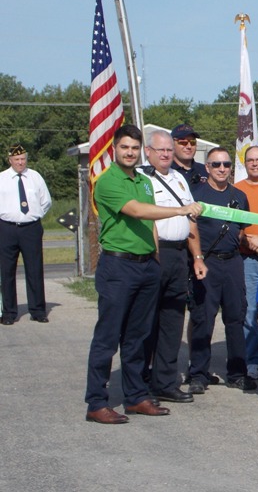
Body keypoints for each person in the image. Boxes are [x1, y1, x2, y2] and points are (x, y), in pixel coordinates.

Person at [85, 124, 202, 425]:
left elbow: (149, 224)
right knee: (108, 337)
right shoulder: (107, 181)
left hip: (147, 264)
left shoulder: (143, 181)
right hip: (118, 266)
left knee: (138, 337)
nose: (129, 153)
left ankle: (136, 396)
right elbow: (137, 211)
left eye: (134, 148)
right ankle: (96, 402)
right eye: (124, 147)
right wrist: (180, 211)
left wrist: (155, 257)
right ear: (114, 148)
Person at [141, 131, 207, 403]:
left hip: (179, 255)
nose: (166, 154)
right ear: (148, 151)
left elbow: (191, 219)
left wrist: (197, 257)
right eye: (161, 150)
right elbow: (144, 218)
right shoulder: (141, 179)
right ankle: (140, 382)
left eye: (169, 149)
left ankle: (165, 383)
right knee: (146, 321)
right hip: (154, 253)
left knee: (172, 320)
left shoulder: (179, 179)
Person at [187, 147, 254, 394]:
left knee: (236, 318)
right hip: (207, 262)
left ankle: (237, 373)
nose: (222, 169)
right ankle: (198, 374)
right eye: (216, 164)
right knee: (203, 319)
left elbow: (241, 231)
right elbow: (190, 230)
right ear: (207, 167)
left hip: (233, 262)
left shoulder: (239, 196)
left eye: (226, 164)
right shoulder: (196, 195)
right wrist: (197, 259)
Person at [0, 144, 51, 325]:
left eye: (23, 159)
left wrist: (33, 216)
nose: (20, 162)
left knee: (34, 269)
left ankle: (38, 311)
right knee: (6, 271)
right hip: (7, 228)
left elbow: (46, 201)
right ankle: (9, 313)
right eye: (17, 159)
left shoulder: (35, 177)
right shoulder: (2, 178)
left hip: (31, 228)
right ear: (10, 160)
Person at [233, 145, 258, 381]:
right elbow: (232, 224)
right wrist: (250, 242)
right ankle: (252, 360)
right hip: (247, 257)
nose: (255, 163)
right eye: (250, 160)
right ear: (245, 163)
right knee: (249, 311)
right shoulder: (236, 189)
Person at [170, 124, 208, 189]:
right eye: (183, 142)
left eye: (193, 142)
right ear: (172, 144)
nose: (189, 146)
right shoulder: (166, 172)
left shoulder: (205, 171)